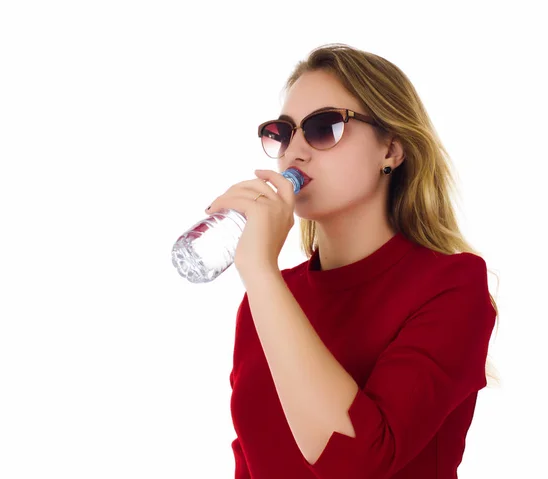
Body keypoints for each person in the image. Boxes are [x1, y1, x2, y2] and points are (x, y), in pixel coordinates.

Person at [205, 43, 499, 479]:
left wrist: (262, 275)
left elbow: (356, 463)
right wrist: (265, 281)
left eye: (323, 128)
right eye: (283, 133)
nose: (295, 152)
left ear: (391, 151)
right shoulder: (263, 303)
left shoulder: (452, 284)